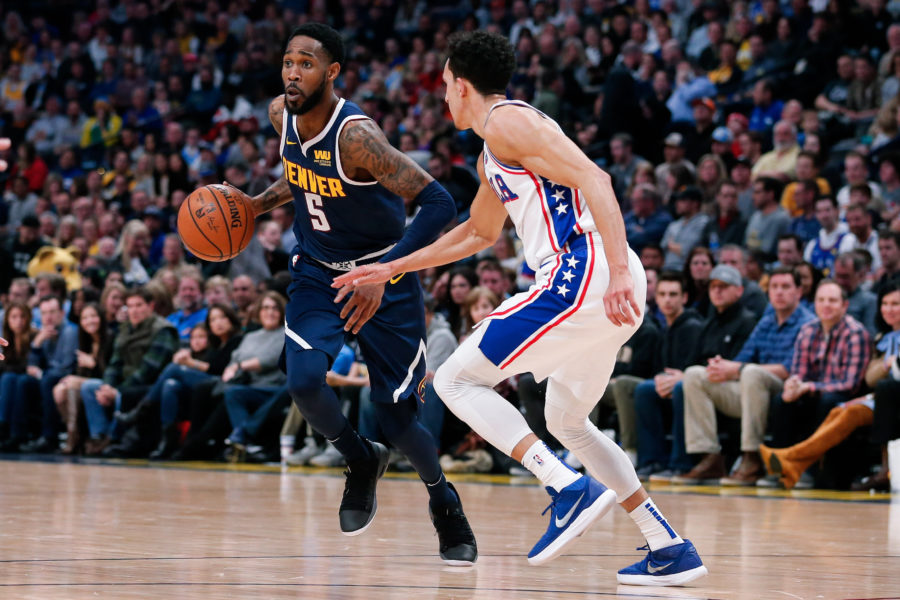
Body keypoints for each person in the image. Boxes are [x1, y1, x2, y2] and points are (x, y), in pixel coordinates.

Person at [334, 31, 707, 586]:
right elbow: (478, 233)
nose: (442, 99)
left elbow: (596, 178)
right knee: (567, 420)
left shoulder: (510, 121)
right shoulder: (495, 148)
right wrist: (393, 267)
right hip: (599, 282)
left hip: (587, 271)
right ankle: (667, 545)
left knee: (455, 381)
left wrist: (619, 272)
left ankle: (566, 487)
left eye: (443, 87)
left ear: (461, 85)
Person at [224, 24, 476, 565]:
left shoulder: (356, 137)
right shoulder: (280, 115)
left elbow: (438, 202)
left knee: (398, 419)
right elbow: (301, 177)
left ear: (332, 72)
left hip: (384, 278)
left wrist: (384, 272)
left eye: (307, 63)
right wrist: (251, 205)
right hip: (318, 271)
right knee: (304, 381)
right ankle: (360, 460)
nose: (293, 72)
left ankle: (443, 499)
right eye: (289, 61)